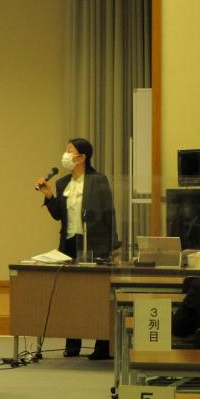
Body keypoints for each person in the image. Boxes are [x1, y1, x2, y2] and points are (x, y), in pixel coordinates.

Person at [35, 137, 116, 360]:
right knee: (70, 296)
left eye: (70, 151)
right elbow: (58, 216)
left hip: (94, 243)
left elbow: (109, 213)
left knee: (96, 296)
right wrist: (49, 197)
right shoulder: (62, 183)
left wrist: (112, 245)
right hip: (69, 244)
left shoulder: (98, 180)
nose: (66, 155)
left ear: (82, 157)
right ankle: (73, 345)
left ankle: (102, 346)